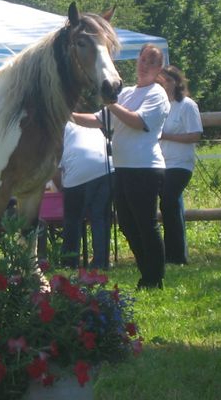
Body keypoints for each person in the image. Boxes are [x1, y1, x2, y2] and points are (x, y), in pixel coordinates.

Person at [73, 44, 169, 289]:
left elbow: (138, 121)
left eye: (151, 61)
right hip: (124, 167)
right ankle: (146, 272)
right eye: (143, 59)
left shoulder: (156, 93)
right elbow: (98, 120)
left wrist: (111, 102)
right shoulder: (126, 94)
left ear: (159, 68)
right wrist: (67, 114)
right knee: (127, 223)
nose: (144, 64)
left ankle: (154, 278)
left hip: (145, 167)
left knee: (146, 223)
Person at [156, 65, 203, 265]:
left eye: (166, 81)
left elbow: (195, 135)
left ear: (176, 82)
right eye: (160, 81)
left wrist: (166, 136)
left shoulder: (187, 105)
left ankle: (174, 255)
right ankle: (173, 254)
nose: (163, 85)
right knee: (169, 207)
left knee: (168, 202)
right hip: (161, 163)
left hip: (181, 163)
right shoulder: (160, 106)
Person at [55, 121, 114, 270]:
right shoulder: (90, 123)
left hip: (78, 170)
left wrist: (61, 188)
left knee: (73, 220)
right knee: (100, 217)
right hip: (107, 168)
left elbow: (56, 169)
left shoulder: (58, 126)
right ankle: (101, 262)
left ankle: (70, 262)